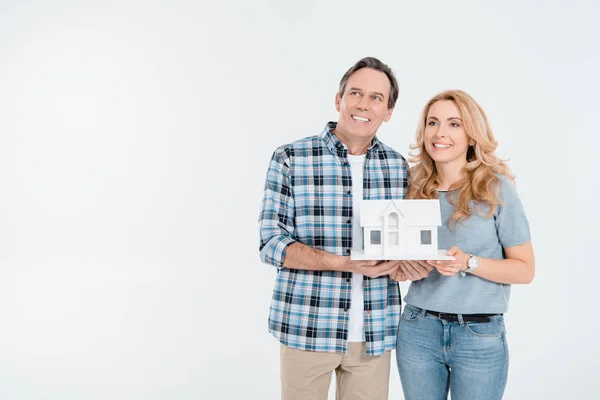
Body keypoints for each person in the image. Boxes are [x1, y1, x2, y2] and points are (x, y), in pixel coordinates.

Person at [258, 57, 430, 400]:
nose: (363, 105)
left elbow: (405, 245)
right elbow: (270, 244)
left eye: (376, 98)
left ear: (389, 112)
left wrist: (412, 264)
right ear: (339, 100)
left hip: (374, 333)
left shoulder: (398, 167)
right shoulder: (291, 157)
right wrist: (343, 262)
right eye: (356, 93)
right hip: (306, 327)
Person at [394, 90, 535, 400]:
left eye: (454, 124)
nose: (440, 133)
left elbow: (525, 270)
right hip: (418, 329)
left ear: (472, 135)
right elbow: (402, 262)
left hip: (478, 335)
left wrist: (469, 262)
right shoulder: (412, 186)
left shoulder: (496, 187)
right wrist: (404, 267)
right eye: (433, 123)